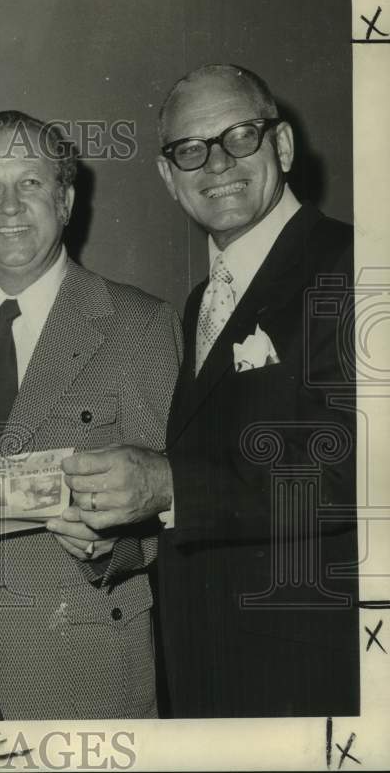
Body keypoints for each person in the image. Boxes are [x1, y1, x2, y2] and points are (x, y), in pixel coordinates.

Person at [62, 64, 359, 717]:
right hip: (205, 671)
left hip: (309, 678)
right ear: (170, 178)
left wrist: (169, 486)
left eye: (239, 137)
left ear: (281, 146)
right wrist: (122, 523)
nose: (216, 163)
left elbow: (355, 468)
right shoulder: (201, 302)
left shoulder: (357, 267)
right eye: (190, 149)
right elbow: (220, 480)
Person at [0, 110, 182, 720]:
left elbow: (175, 505)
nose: (11, 206)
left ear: (67, 199)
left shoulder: (139, 326)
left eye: (31, 183)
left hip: (85, 670)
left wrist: (113, 544)